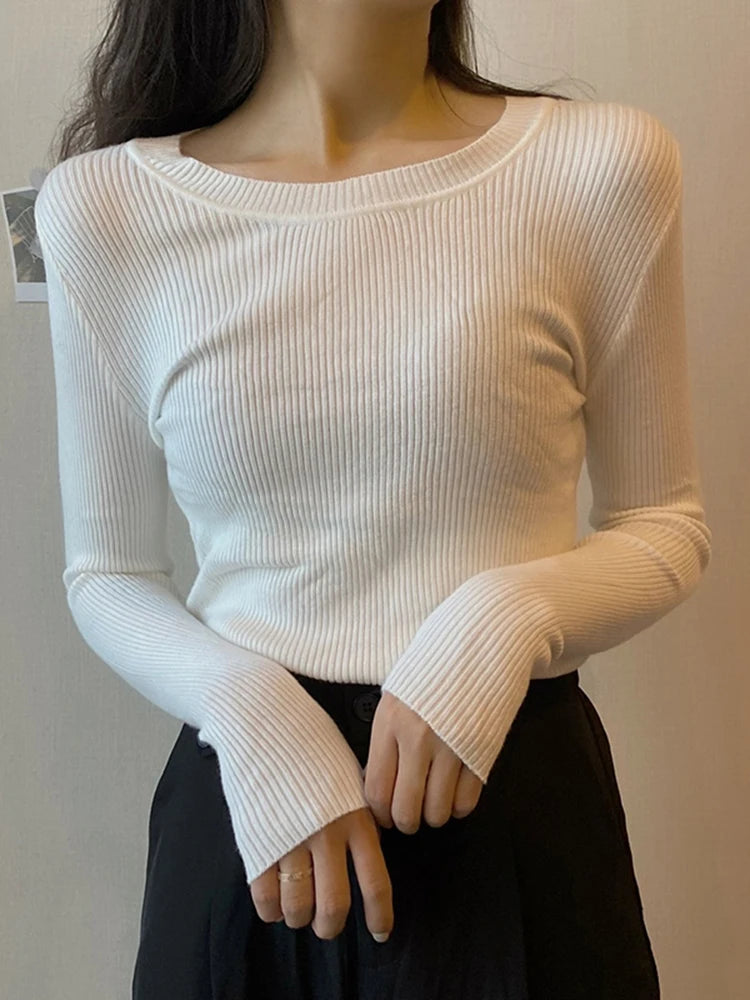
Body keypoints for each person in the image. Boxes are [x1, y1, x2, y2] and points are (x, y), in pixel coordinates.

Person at [36, 0, 712, 996]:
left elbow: (663, 524)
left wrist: (501, 620)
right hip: (253, 825)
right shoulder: (106, 207)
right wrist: (247, 703)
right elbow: (108, 571)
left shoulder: (597, 168)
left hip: (517, 821)